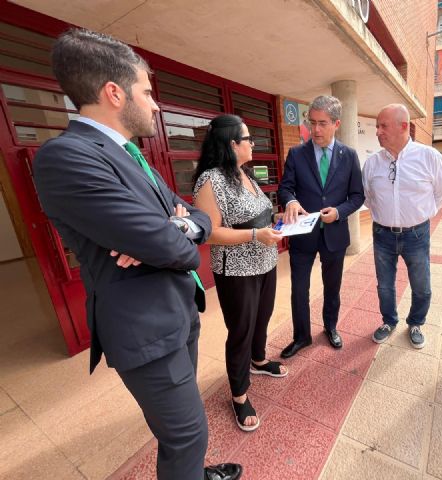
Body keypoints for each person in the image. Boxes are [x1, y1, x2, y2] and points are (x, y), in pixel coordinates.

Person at [32, 29, 242, 480]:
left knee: (182, 432)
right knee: (187, 435)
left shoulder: (128, 154)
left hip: (176, 311)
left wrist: (177, 227)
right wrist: (170, 235)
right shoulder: (67, 157)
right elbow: (176, 250)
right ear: (113, 92)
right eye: (147, 92)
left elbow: (193, 218)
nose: (155, 104)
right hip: (144, 331)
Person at [193, 114, 286, 432]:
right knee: (241, 330)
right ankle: (239, 394)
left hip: (265, 263)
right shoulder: (210, 180)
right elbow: (209, 233)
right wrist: (253, 236)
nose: (252, 143)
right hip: (236, 271)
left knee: (262, 318)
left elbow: (257, 215)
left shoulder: (244, 175)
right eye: (248, 138)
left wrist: (281, 223)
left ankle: (258, 361)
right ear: (232, 144)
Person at [277, 95, 365, 358]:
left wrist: (339, 212)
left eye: (322, 123)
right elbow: (285, 187)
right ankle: (301, 336)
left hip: (335, 236)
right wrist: (291, 200)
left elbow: (357, 196)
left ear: (337, 123)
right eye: (312, 122)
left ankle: (330, 327)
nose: (315, 129)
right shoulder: (296, 153)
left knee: (332, 287)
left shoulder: (349, 156)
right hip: (303, 235)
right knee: (299, 289)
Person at [363, 104, 442, 349]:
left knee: (422, 284)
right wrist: (387, 216)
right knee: (385, 285)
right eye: (377, 126)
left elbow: (441, 195)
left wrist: (419, 216)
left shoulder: (429, 156)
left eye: (383, 126)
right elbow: (369, 197)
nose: (377, 131)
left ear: (403, 126)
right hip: (382, 234)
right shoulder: (372, 163)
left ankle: (416, 323)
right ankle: (389, 321)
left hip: (417, 234)